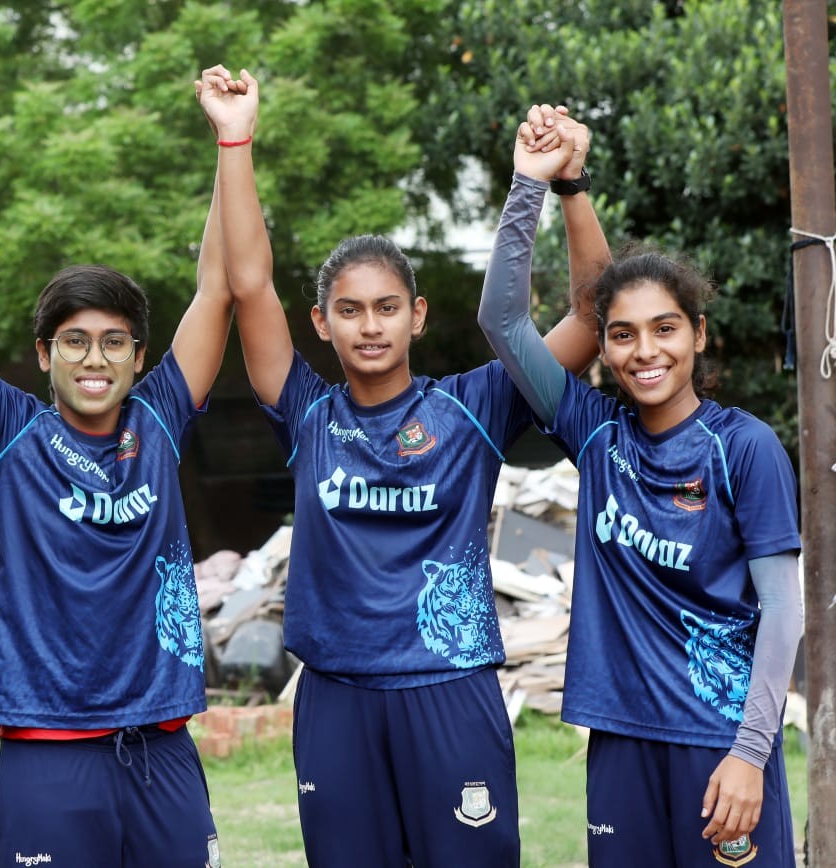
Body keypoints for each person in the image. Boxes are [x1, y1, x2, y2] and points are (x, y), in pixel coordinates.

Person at [203, 68, 609, 867]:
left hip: (449, 688)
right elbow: (247, 284)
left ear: (417, 316)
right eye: (348, 310)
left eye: (387, 307)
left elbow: (592, 319)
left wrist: (571, 186)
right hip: (337, 696)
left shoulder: (478, 405)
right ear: (321, 322)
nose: (369, 326)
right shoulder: (308, 412)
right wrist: (235, 138)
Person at [0, 87, 233, 867]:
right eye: (75, 341)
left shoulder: (158, 420)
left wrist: (232, 143)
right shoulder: (13, 433)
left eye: (115, 341)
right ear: (45, 354)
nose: (95, 358)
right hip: (47, 746)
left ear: (140, 357)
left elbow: (218, 287)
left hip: (160, 740)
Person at [480, 112, 803, 868]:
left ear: (698, 333)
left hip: (720, 747)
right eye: (622, 334)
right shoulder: (594, 433)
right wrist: (539, 181)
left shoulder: (744, 448)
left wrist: (752, 754)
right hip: (620, 741)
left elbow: (784, 614)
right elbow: (501, 318)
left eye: (665, 329)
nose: (644, 350)